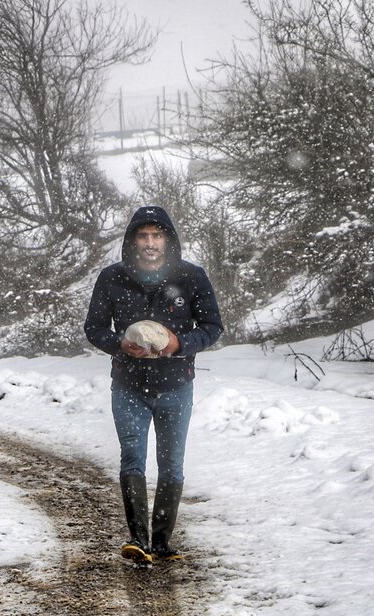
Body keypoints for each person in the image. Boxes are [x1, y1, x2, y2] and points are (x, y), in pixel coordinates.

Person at [83, 205, 223, 564]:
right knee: (133, 458)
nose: (149, 243)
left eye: (156, 236)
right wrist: (119, 345)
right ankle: (138, 540)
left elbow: (212, 326)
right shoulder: (112, 278)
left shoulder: (191, 277)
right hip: (128, 385)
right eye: (143, 236)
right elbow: (94, 327)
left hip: (176, 386)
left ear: (167, 239)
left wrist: (179, 345)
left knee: (172, 462)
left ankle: (162, 543)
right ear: (133, 240)